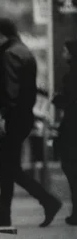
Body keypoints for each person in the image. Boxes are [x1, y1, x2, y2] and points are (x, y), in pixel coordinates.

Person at [0, 18, 62, 227]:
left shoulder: (10, 55)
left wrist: (2, 116)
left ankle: (48, 201)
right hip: (24, 116)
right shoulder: (22, 51)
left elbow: (10, 90)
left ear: (0, 34)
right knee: (8, 165)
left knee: (7, 166)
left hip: (13, 117)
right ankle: (4, 213)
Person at [53, 39, 77, 225]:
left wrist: (56, 99)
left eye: (65, 51)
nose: (63, 54)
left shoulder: (70, 76)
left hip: (71, 127)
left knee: (70, 167)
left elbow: (67, 101)